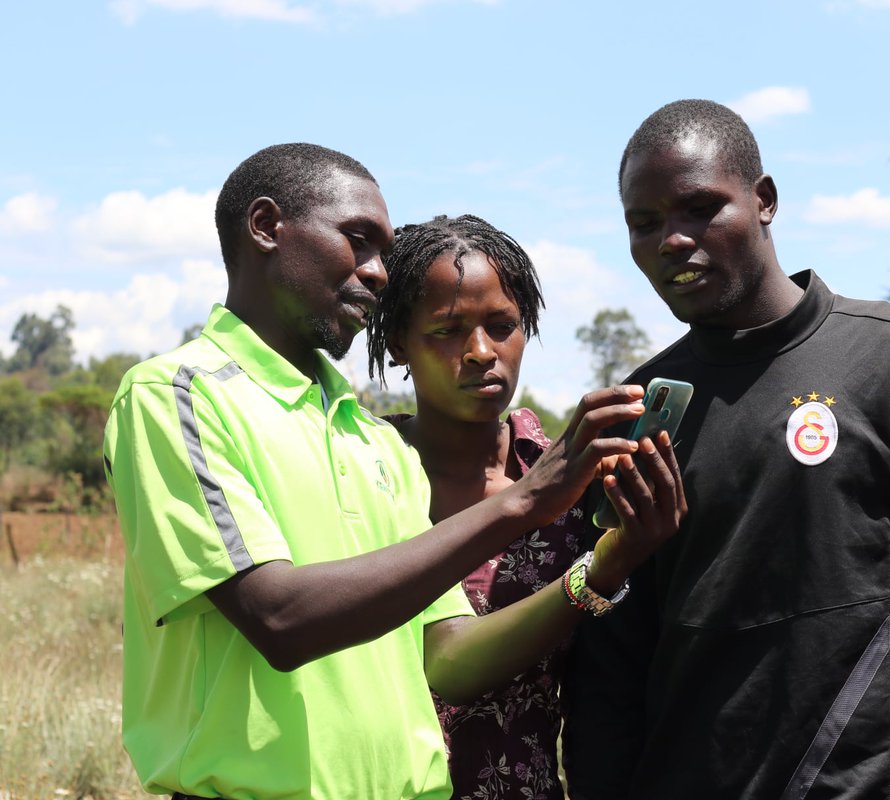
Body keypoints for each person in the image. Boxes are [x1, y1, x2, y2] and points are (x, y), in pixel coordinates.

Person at [102, 143, 686, 800]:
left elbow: (451, 660)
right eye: (358, 241)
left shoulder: (371, 443)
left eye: (503, 326)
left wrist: (603, 569)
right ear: (266, 228)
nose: (378, 273)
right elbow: (279, 621)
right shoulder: (178, 396)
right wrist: (526, 503)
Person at [561, 100, 890, 799]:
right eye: (644, 223)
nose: (673, 241)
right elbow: (609, 666)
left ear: (764, 200)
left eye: (699, 208)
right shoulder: (638, 407)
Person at [365, 213, 581, 799]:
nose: (482, 352)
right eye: (447, 329)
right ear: (397, 343)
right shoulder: (359, 472)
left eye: (502, 325)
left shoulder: (570, 483)